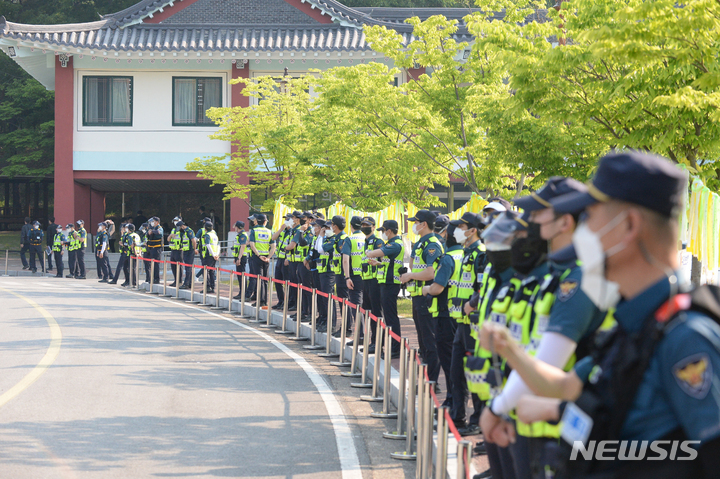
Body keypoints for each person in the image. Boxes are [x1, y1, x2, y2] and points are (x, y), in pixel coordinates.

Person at [481, 151, 720, 479]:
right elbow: (576, 390)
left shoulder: (686, 337)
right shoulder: (629, 330)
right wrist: (512, 359)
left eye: (590, 216)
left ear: (629, 226)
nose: (581, 231)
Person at [401, 209, 444, 384]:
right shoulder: (420, 243)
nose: (414, 225)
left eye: (416, 222)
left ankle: (432, 380)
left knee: (429, 339)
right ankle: (425, 377)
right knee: (422, 340)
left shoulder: (432, 244)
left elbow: (430, 273)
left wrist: (411, 276)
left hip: (427, 297)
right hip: (417, 296)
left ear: (423, 224)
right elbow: (414, 265)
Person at [366, 220, 404, 355]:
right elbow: (389, 263)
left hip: (390, 284)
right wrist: (378, 264)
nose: (383, 233)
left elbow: (376, 252)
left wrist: (369, 253)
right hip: (386, 282)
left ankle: (396, 347)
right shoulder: (391, 244)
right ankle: (394, 346)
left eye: (383, 230)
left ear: (389, 230)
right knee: (388, 316)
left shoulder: (395, 244)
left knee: (391, 316)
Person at [360, 217, 384, 345]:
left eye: (367, 225)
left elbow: (382, 261)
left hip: (375, 281)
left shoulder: (378, 242)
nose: (364, 227)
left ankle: (378, 341)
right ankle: (372, 340)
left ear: (374, 227)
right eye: (363, 225)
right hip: (366, 280)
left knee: (376, 312)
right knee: (367, 311)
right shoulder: (364, 241)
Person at [248, 214, 274, 306]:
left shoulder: (254, 231)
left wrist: (258, 255)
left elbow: (252, 244)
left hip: (257, 257)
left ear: (256, 221)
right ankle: (264, 300)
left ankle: (260, 301)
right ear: (265, 222)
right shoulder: (269, 232)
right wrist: (268, 257)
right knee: (265, 279)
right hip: (266, 257)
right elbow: (273, 247)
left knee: (259, 278)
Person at [316, 219, 336, 333]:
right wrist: (321, 236)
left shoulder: (332, 240)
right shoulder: (326, 239)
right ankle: (326, 321)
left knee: (328, 298)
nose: (326, 230)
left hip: (330, 271)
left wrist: (321, 236)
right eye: (325, 228)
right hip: (323, 271)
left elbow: (319, 249)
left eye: (328, 228)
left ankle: (331, 324)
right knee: (324, 298)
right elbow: (316, 247)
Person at [295, 212, 316, 321]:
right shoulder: (305, 230)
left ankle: (310, 313)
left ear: (310, 220)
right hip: (300, 263)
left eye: (304, 218)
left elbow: (303, 243)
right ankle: (303, 311)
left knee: (308, 289)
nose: (301, 220)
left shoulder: (311, 231)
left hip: (307, 264)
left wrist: (301, 231)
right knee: (302, 288)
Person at [272, 214, 293, 310]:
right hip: (279, 259)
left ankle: (288, 302)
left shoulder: (292, 232)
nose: (286, 221)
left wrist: (288, 258)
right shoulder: (284, 231)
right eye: (285, 220)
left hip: (286, 260)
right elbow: (273, 238)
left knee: (287, 282)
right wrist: (280, 229)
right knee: (277, 280)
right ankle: (281, 301)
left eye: (288, 219)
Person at [202, 221, 220, 293]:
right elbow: (218, 246)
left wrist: (213, 255)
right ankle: (212, 287)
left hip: (208, 256)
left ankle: (208, 287)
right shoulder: (215, 235)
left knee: (206, 271)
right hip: (214, 256)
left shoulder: (207, 235)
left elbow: (208, 245)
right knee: (212, 271)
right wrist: (216, 255)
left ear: (205, 228)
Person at [178, 221, 197, 290]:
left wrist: (194, 249)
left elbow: (193, 241)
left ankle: (186, 283)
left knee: (188, 268)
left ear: (182, 226)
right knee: (188, 268)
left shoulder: (189, 231)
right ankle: (189, 283)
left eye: (179, 227)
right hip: (186, 251)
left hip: (190, 252)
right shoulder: (185, 232)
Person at [232, 220, 248, 299]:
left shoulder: (242, 235)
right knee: (239, 276)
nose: (234, 228)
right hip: (239, 257)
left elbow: (243, 247)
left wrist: (239, 258)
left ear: (237, 227)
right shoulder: (239, 235)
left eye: (235, 226)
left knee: (241, 276)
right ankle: (241, 292)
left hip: (241, 257)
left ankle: (243, 292)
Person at [145, 216, 163, 284]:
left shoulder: (159, 228)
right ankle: (152, 278)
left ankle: (156, 279)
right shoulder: (152, 228)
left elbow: (159, 232)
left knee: (156, 264)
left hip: (157, 249)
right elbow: (147, 234)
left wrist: (152, 231)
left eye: (153, 222)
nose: (152, 223)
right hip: (151, 249)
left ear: (157, 222)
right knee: (152, 264)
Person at [168, 217, 183, 287]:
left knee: (179, 266)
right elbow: (168, 239)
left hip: (179, 251)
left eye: (176, 221)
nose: (175, 222)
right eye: (174, 221)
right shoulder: (173, 230)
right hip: (173, 250)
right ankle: (175, 280)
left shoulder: (182, 230)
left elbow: (186, 239)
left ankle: (179, 281)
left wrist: (183, 247)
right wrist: (171, 235)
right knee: (173, 266)